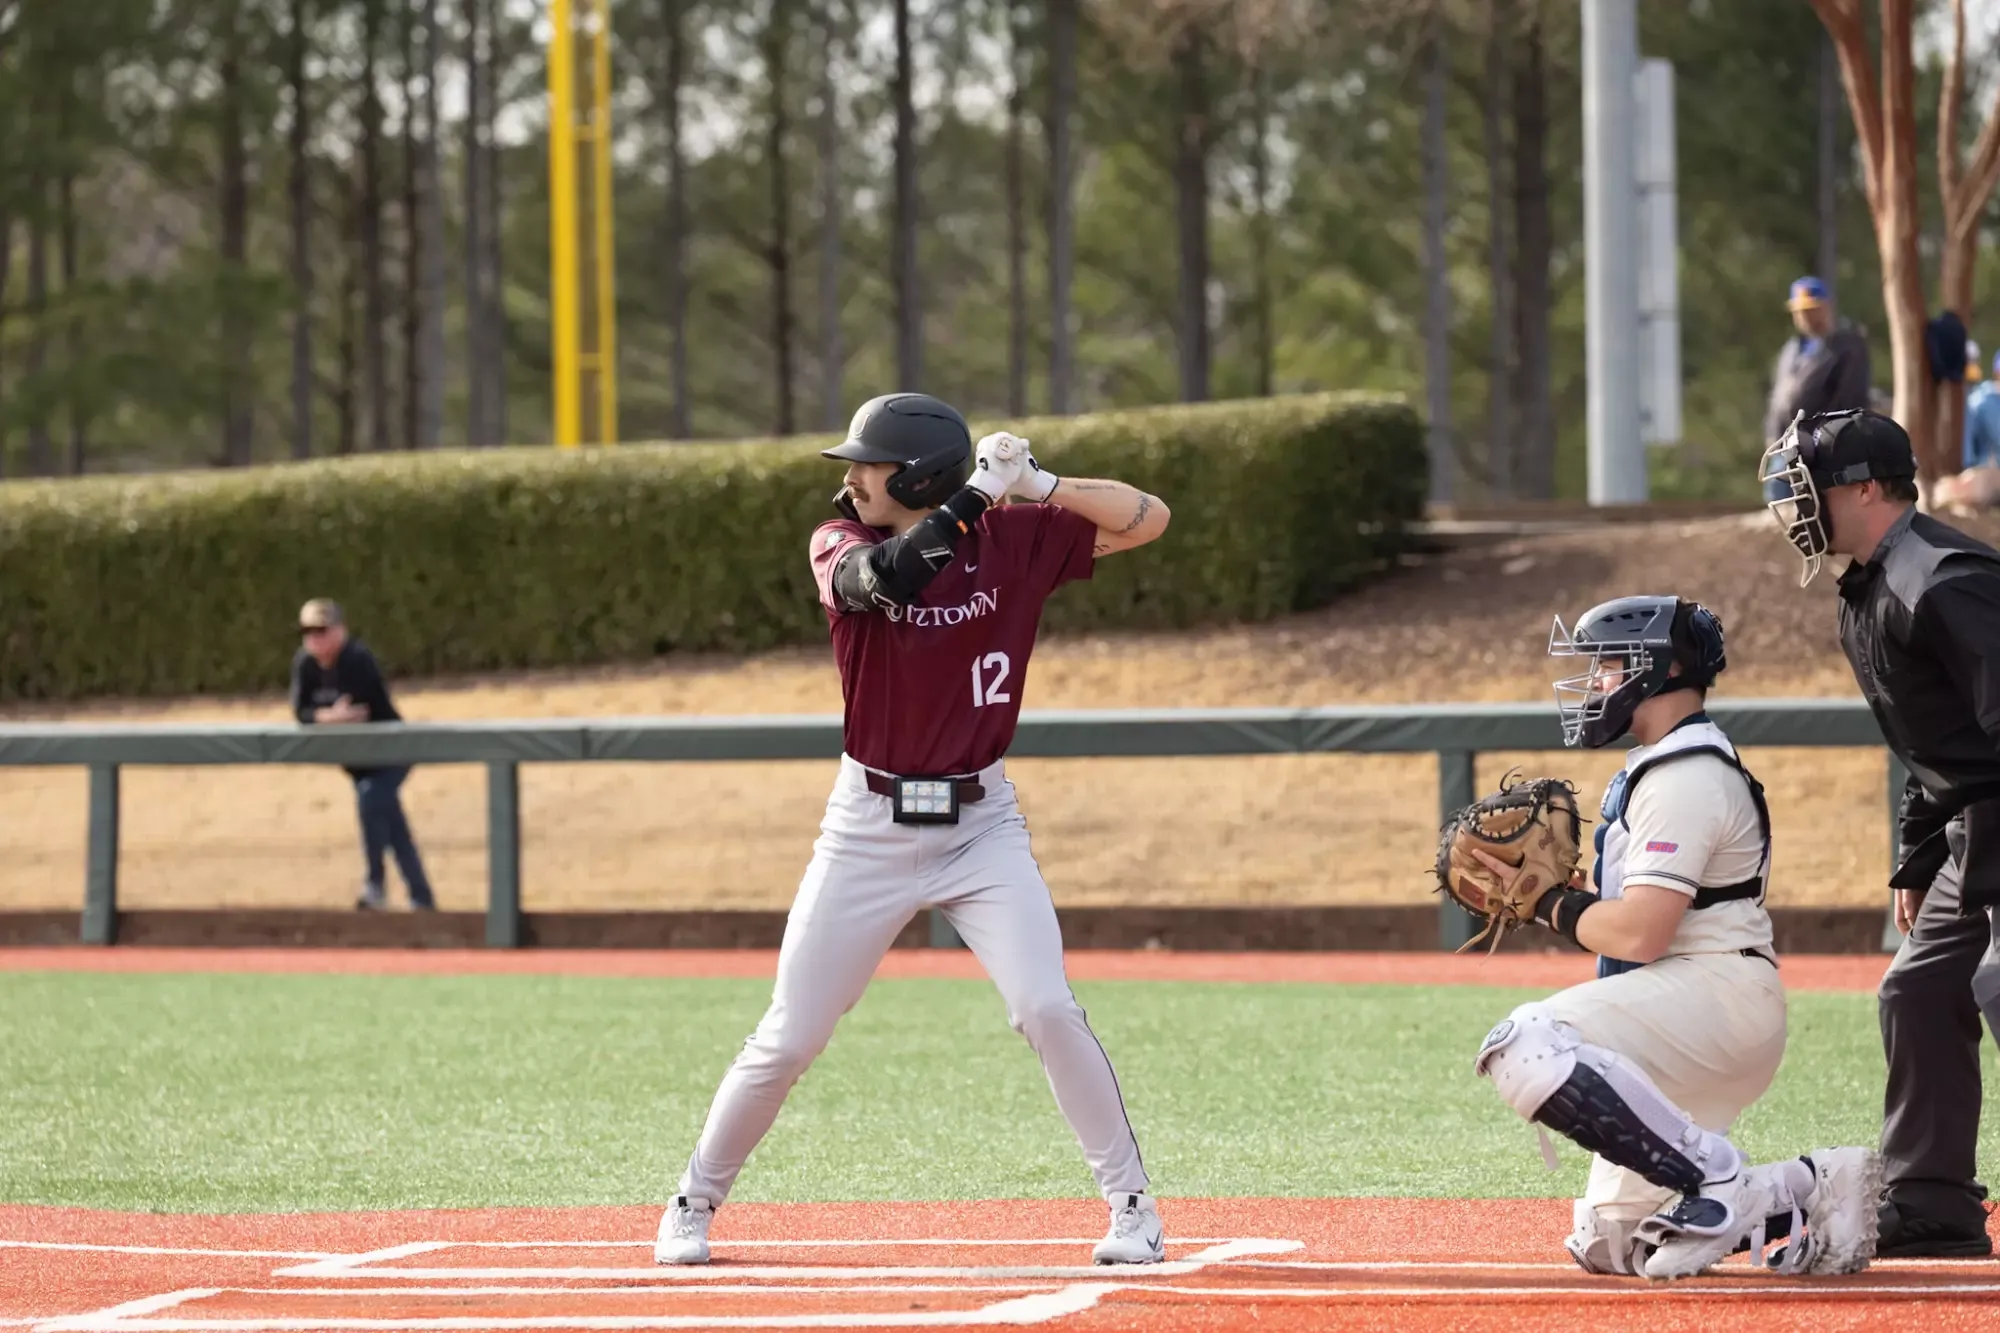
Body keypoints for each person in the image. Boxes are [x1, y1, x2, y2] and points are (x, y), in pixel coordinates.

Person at [654, 393, 1172, 1268]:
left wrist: (1041, 483)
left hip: (982, 824)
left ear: (919, 474)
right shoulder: (840, 542)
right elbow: (887, 580)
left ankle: (1132, 1203)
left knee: (1045, 1005)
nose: (853, 477)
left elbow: (1148, 518)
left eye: (870, 463)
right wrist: (976, 498)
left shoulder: (1015, 536)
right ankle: (692, 1198)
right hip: (867, 825)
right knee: (792, 1032)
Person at [1464, 595, 1877, 1280]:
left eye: (1606, 666)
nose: (1594, 684)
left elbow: (1642, 931)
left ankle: (1719, 1179)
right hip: (1690, 1002)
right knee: (1617, 1241)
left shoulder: (1687, 774)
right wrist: (1557, 899)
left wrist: (1545, 902)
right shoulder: (1663, 763)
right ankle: (1814, 1185)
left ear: (1658, 668)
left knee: (1526, 1042)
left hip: (1715, 996)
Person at [1761, 408, 2000, 1257]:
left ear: (1864, 487)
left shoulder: (1940, 577)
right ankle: (1934, 1201)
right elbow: (1929, 738)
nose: (1792, 505)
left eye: (1807, 486)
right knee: (1918, 990)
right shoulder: (1868, 583)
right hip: (1974, 825)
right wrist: (1916, 856)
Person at [289, 598, 436, 913]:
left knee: (371, 800)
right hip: (357, 763)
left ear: (340, 630)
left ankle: (375, 884)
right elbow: (301, 712)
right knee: (392, 825)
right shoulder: (305, 663)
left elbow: (360, 711)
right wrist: (329, 716)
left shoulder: (357, 658)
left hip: (392, 752)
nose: (315, 638)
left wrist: (325, 716)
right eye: (308, 631)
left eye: (322, 630)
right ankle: (422, 899)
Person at [1763, 277, 1871, 501]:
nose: (1805, 316)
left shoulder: (1846, 346)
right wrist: (1772, 436)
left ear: (1827, 307)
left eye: (1812, 309)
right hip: (1785, 444)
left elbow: (1849, 397)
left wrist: (1827, 439)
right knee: (1779, 502)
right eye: (1800, 311)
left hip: (1820, 446)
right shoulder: (1791, 349)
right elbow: (1778, 399)